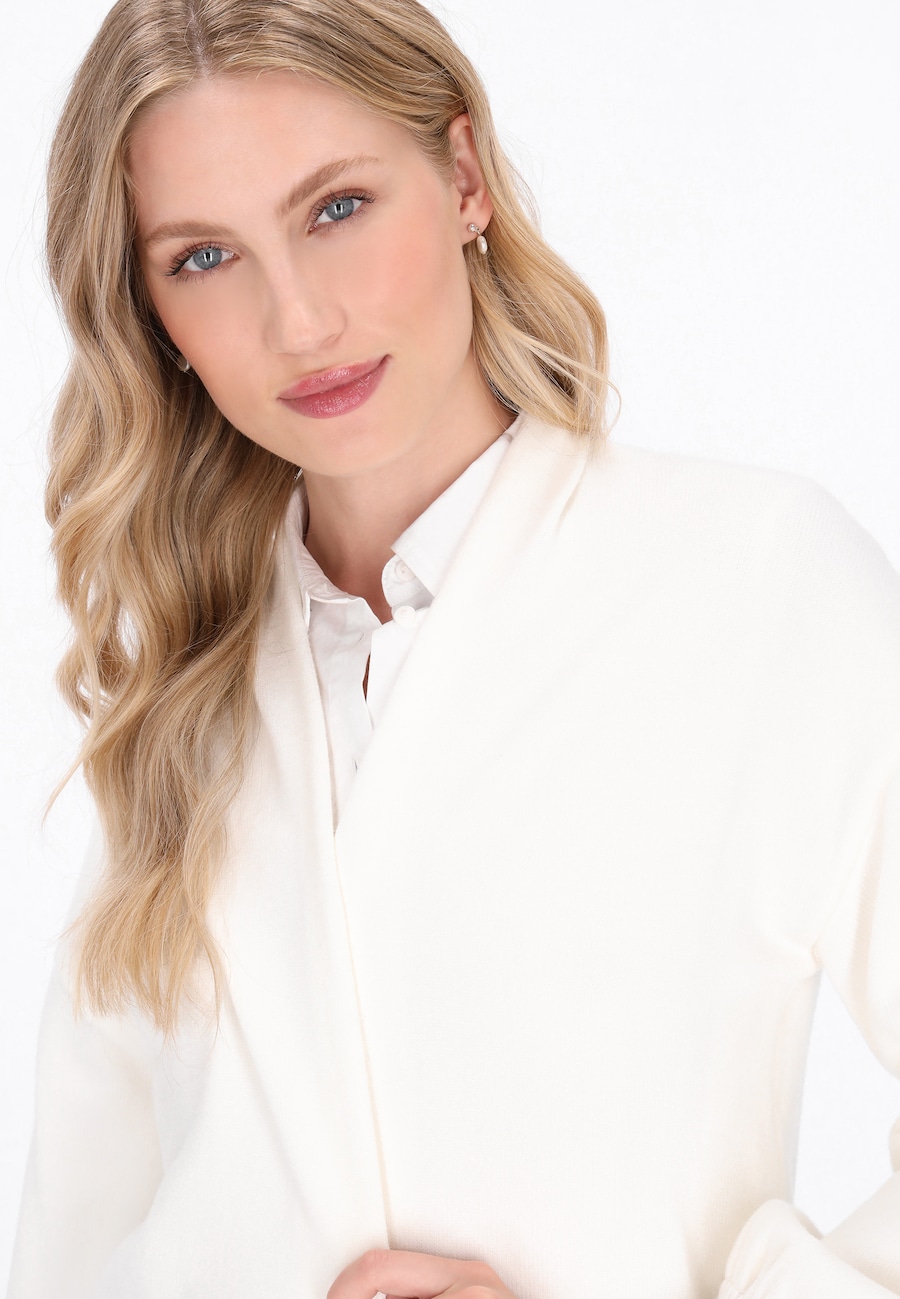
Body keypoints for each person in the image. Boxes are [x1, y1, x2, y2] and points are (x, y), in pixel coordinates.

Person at [7, 0, 900, 1297]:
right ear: (150, 317)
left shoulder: (761, 582)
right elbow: (73, 1248)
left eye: (337, 208)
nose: (298, 320)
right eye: (203, 257)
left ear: (465, 177)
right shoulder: (180, 704)